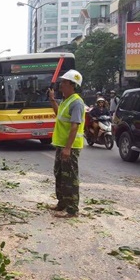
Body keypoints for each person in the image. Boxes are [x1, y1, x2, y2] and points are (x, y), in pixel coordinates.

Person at [48, 69, 85, 218]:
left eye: (63, 82)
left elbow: (74, 126)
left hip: (70, 147)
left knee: (70, 177)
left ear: (72, 84)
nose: (61, 85)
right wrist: (52, 100)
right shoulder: (66, 100)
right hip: (61, 145)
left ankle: (72, 209)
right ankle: (62, 203)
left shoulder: (76, 102)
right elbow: (59, 116)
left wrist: (68, 148)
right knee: (60, 175)